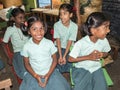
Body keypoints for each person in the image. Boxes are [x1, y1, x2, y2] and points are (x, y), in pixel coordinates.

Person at [20, 16, 71, 90]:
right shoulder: (26, 46)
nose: (39, 32)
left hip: (51, 72)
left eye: (41, 28)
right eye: (34, 29)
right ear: (28, 31)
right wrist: (36, 76)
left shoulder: (49, 43)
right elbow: (26, 64)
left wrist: (48, 75)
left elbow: (54, 60)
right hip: (34, 74)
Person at [69, 12, 111, 90]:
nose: (108, 30)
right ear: (93, 30)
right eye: (105, 27)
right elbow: (71, 59)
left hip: (96, 68)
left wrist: (102, 54)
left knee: (102, 87)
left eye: (108, 27)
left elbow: (106, 53)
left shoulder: (104, 40)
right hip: (82, 68)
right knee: (81, 88)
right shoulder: (81, 43)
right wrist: (88, 57)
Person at [2, 8, 29, 79]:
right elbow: (4, 44)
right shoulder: (10, 29)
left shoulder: (26, 27)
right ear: (13, 18)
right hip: (19, 52)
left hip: (30, 49)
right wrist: (8, 58)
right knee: (24, 70)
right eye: (20, 18)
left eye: (24, 17)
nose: (23, 20)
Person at [53, 3, 78, 79]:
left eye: (64, 14)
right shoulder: (56, 25)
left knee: (69, 59)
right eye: (60, 14)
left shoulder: (74, 26)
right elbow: (58, 41)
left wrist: (64, 56)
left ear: (70, 15)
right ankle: (59, 74)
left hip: (69, 46)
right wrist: (60, 56)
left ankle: (67, 73)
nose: (62, 16)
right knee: (56, 60)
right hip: (58, 46)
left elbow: (69, 42)